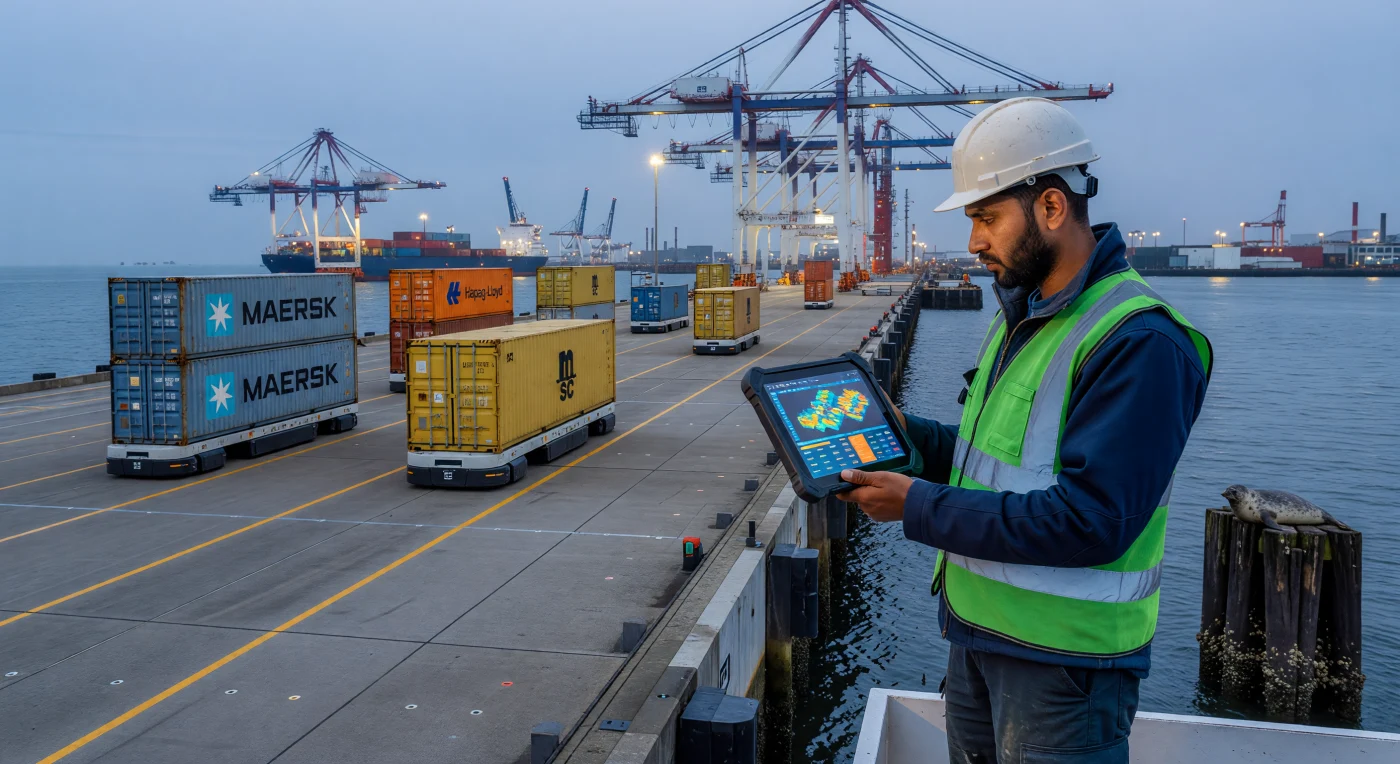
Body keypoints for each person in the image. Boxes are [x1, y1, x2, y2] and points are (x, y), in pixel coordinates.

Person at [837, 98, 1213, 763]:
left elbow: (1092, 520)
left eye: (986, 217)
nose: (974, 241)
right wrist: (911, 437)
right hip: (981, 641)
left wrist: (915, 506)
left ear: (1051, 207)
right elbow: (997, 465)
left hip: (1066, 672)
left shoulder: (1140, 341)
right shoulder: (1027, 315)